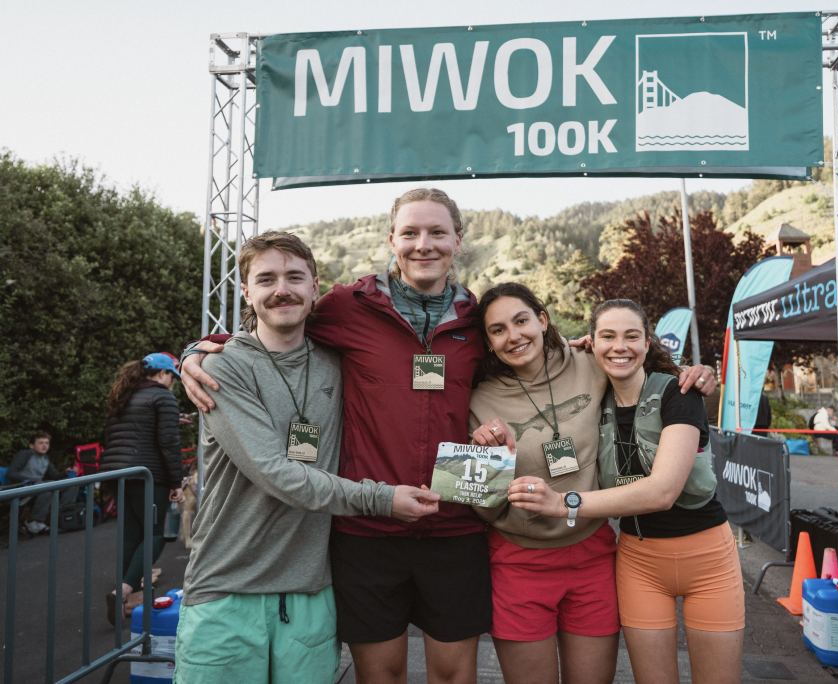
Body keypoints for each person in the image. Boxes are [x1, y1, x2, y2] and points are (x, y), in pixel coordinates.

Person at [181, 189, 719, 684]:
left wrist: (662, 367)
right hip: (369, 530)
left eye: (437, 232)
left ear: (459, 241)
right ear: (391, 240)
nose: (424, 245)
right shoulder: (347, 308)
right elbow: (278, 318)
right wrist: (199, 351)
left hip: (455, 526)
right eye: (410, 233)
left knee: (452, 677)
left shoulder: (478, 320)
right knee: (381, 675)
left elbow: (541, 352)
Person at [174, 231, 440, 683]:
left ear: (315, 287)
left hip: (311, 593)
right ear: (246, 291)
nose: (282, 289)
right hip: (227, 590)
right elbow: (276, 473)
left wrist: (568, 353)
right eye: (266, 279)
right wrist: (381, 499)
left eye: (295, 277)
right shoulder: (222, 366)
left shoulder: (340, 361)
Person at [468, 285, 718, 684]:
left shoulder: (588, 360)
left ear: (542, 320)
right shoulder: (477, 400)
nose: (513, 336)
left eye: (521, 321)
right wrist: (497, 460)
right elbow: (483, 508)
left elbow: (635, 363)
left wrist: (697, 375)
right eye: (498, 330)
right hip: (518, 562)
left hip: (593, 557)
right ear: (488, 341)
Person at [101, 353, 187, 623]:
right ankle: (124, 591)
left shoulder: (123, 395)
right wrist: (177, 482)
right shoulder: (162, 396)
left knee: (131, 535)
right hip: (149, 475)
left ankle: (131, 599)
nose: (173, 382)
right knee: (159, 533)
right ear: (163, 374)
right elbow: (168, 444)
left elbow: (129, 433)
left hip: (118, 473)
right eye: (173, 376)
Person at [8, 430, 77, 534]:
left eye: (47, 443)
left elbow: (55, 476)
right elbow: (11, 473)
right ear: (31, 445)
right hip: (22, 489)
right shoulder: (25, 454)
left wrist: (65, 472)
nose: (44, 446)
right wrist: (29, 480)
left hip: (38, 489)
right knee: (48, 487)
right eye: (40, 443)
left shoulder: (45, 458)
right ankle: (34, 521)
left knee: (71, 484)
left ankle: (62, 516)